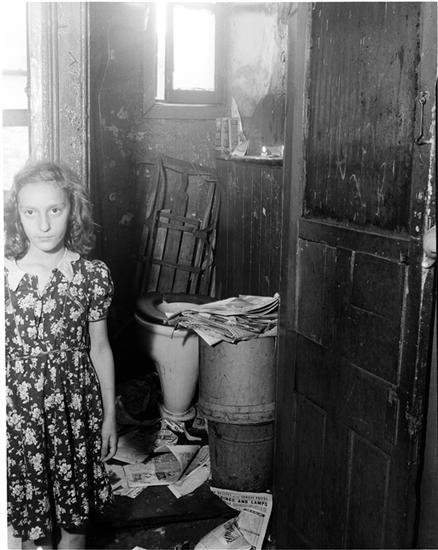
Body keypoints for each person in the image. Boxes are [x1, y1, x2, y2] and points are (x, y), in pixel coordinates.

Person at [4, 161, 118, 549]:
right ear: (17, 215)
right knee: (33, 531)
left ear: (73, 208)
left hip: (75, 415)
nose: (44, 225)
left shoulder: (91, 276)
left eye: (55, 210)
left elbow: (100, 348)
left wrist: (110, 416)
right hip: (20, 420)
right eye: (30, 212)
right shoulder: (5, 276)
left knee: (75, 524)